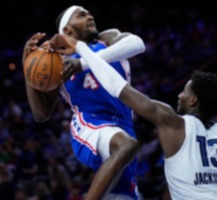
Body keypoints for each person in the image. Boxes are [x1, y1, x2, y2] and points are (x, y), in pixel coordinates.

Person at [50, 33, 217, 200]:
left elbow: (117, 86)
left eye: (184, 92)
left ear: (193, 100)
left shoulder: (174, 123)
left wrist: (80, 48)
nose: (179, 95)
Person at [22, 5, 145, 200]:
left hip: (122, 125)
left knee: (121, 194)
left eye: (88, 13)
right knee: (126, 146)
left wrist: (83, 63)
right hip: (90, 123)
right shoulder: (56, 60)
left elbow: (137, 44)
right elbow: (41, 113)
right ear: (67, 30)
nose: (89, 16)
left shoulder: (107, 39)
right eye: (81, 15)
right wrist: (27, 65)